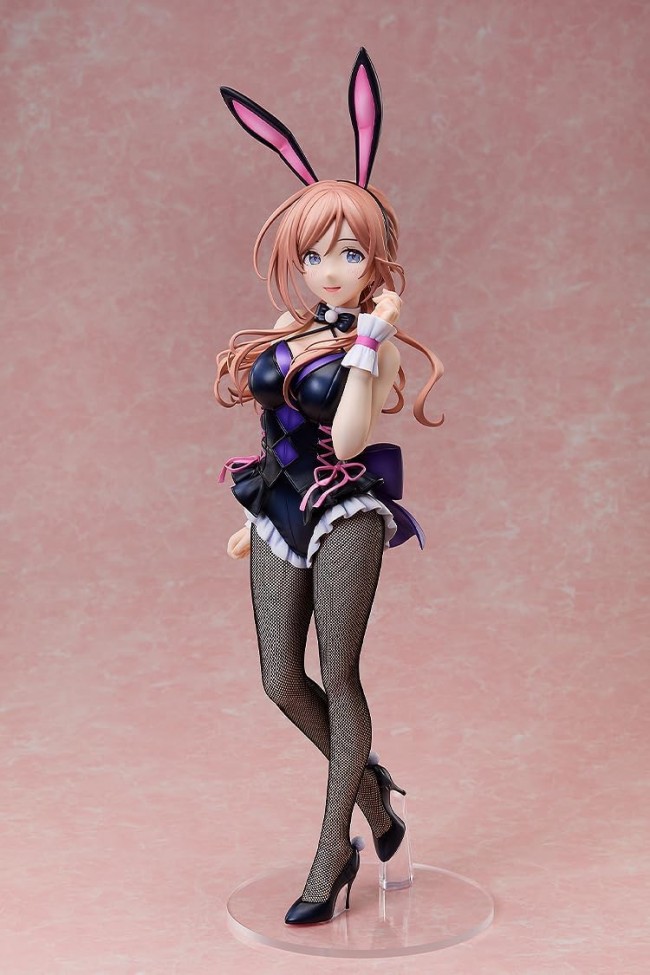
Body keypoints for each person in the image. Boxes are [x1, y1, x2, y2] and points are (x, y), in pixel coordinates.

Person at [215, 49, 444, 925]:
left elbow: (349, 437)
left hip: (346, 509)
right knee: (281, 678)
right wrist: (254, 510)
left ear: (374, 257)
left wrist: (370, 343)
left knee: (337, 675)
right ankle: (376, 798)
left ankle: (332, 851)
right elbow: (272, 417)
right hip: (280, 504)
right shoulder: (290, 324)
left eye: (348, 252)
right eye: (315, 254)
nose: (330, 269)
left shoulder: (374, 347)